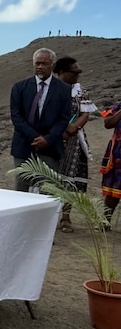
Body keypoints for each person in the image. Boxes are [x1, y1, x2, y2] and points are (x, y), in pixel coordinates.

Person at [10, 48, 72, 192]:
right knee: (21, 188)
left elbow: (64, 118)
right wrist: (35, 137)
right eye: (37, 63)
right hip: (23, 146)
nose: (40, 66)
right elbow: (16, 116)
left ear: (52, 65)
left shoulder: (63, 89)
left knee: (48, 189)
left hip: (50, 148)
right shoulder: (19, 87)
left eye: (44, 63)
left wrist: (47, 139)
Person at [54, 57, 97, 232]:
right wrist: (60, 128)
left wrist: (72, 128)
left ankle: (65, 216)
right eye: (75, 72)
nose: (78, 76)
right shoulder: (51, 90)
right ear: (62, 72)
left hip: (73, 140)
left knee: (69, 179)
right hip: (52, 137)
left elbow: (85, 114)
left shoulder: (80, 92)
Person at [100, 101, 121, 231]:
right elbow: (108, 123)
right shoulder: (118, 106)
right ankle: (105, 220)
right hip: (118, 153)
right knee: (114, 190)